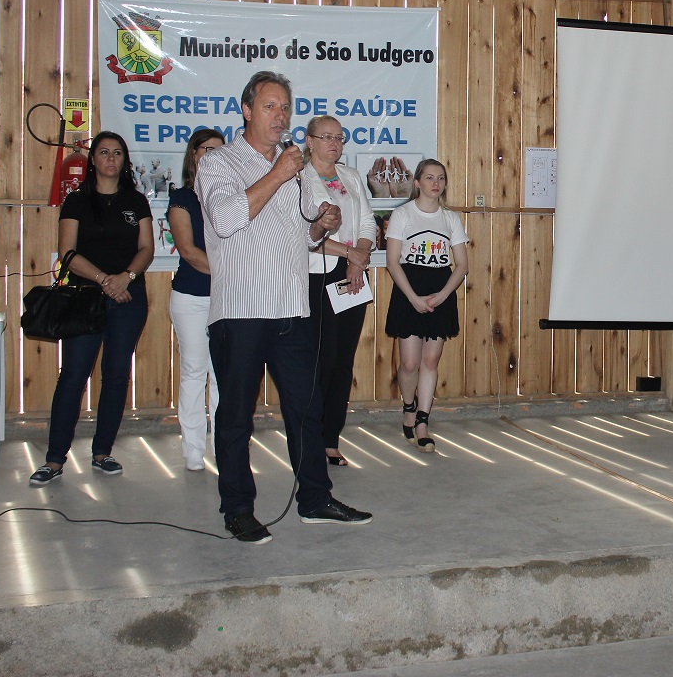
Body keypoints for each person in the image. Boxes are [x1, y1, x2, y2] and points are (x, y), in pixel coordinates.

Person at [196, 71, 372, 544]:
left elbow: (302, 238)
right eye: (271, 107)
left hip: (291, 309)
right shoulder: (220, 163)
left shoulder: (292, 171)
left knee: (307, 409)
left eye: (286, 108)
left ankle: (315, 498)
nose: (281, 116)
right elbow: (229, 220)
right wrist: (279, 173)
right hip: (241, 311)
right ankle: (237, 508)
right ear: (247, 110)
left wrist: (320, 225)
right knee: (236, 417)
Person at [30, 132, 154, 485]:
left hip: (128, 298)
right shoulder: (76, 202)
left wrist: (126, 277)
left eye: (117, 153)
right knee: (72, 376)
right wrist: (105, 280)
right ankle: (54, 459)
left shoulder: (136, 201)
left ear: (124, 160)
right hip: (85, 299)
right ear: (93, 160)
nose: (111, 159)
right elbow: (68, 253)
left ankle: (102, 453)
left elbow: (146, 248)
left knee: (115, 376)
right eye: (104, 152)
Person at [302, 115, 377, 467]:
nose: (334, 143)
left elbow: (366, 223)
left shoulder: (351, 176)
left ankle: (331, 437)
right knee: (321, 359)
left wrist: (357, 261)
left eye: (339, 137)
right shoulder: (298, 177)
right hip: (316, 275)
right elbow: (303, 234)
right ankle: (310, 437)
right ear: (309, 141)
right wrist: (350, 253)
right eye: (326, 137)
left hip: (352, 275)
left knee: (343, 360)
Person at [384, 159, 469, 453]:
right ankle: (408, 407)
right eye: (430, 177)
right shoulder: (402, 214)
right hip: (410, 289)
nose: (436, 183)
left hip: (440, 291)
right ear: (417, 182)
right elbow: (393, 262)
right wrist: (413, 298)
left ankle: (422, 421)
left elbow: (461, 265)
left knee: (430, 362)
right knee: (409, 363)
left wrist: (444, 295)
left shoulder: (450, 219)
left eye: (441, 178)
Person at [167, 128, 225, 472]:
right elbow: (188, 251)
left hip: (226, 301)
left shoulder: (234, 198)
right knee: (193, 371)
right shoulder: (182, 198)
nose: (212, 155)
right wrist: (230, 274)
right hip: (190, 298)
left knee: (223, 375)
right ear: (194, 155)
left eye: (219, 150)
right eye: (206, 149)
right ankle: (192, 449)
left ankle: (222, 446)